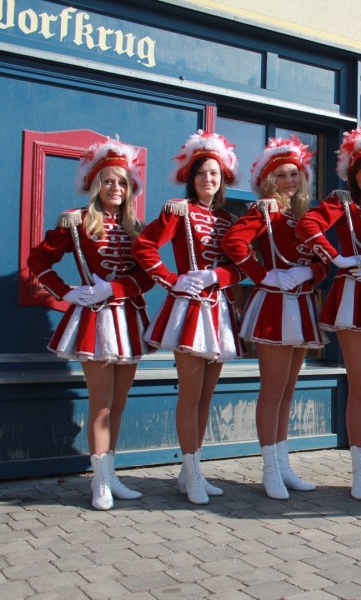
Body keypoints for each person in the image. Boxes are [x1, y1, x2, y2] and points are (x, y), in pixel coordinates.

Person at [28, 138, 153, 510]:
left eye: (122, 182)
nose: (115, 188)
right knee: (100, 403)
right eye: (108, 181)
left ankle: (110, 474)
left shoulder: (137, 227)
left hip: (128, 319)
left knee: (119, 403)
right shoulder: (77, 221)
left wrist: (114, 288)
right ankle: (99, 481)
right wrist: (66, 292)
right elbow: (38, 260)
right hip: (95, 321)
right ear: (96, 184)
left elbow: (147, 277)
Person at [132, 131, 243, 505]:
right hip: (189, 309)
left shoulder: (229, 218)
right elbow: (144, 246)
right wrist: (172, 279)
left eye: (214, 174)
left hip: (219, 310)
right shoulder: (178, 210)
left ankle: (189, 471)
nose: (208, 179)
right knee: (190, 395)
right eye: (201, 174)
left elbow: (239, 266)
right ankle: (193, 471)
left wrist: (217, 276)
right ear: (191, 178)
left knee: (206, 396)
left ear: (222, 179)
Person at [296, 126, 361, 500]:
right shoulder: (342, 203)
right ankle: (358, 473)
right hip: (353, 297)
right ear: (353, 175)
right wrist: (338, 258)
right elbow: (307, 224)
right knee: (360, 386)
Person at [222, 137, 324, 499]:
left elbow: (324, 260)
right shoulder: (266, 209)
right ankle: (269, 469)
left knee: (288, 390)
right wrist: (262, 275)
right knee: (273, 389)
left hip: (302, 303)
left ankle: (283, 464)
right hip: (275, 305)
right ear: (269, 180)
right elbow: (233, 242)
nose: (288, 180)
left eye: (294, 174)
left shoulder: (304, 215)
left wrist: (310, 272)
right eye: (281, 175)